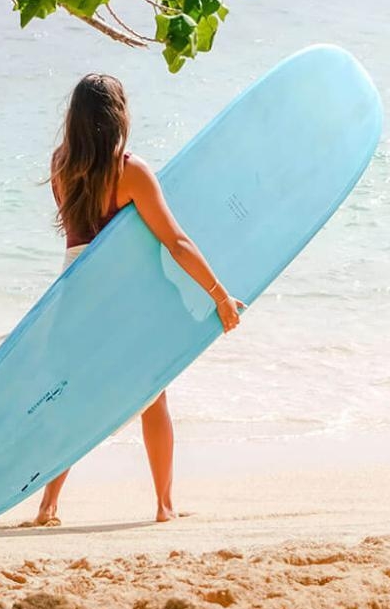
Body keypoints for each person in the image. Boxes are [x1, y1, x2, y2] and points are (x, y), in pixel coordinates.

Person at [26, 72, 243, 527]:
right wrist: (220, 295)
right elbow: (176, 242)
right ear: (118, 116)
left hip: (74, 296)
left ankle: (48, 506)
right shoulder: (130, 171)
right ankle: (164, 505)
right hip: (122, 300)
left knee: (73, 400)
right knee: (154, 396)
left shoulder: (60, 165)